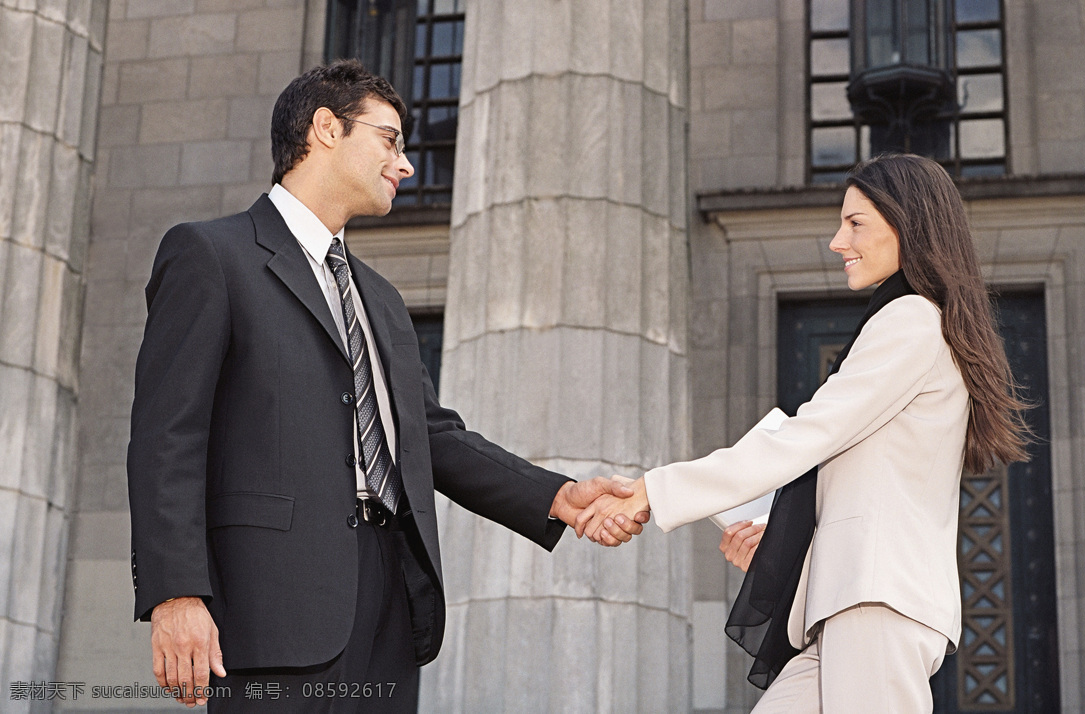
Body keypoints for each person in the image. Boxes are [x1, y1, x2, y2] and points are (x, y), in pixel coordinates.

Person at [126, 60, 644, 712]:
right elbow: (165, 437)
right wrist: (176, 593)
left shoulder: (381, 298)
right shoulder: (209, 255)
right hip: (270, 608)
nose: (405, 166)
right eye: (391, 140)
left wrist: (560, 496)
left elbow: (431, 437)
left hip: (388, 608)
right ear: (324, 129)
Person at [581, 153, 1030, 712]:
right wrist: (777, 543)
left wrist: (655, 490)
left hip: (874, 606)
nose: (838, 240)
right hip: (847, 609)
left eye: (855, 223)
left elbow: (805, 437)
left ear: (908, 224)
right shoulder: (914, 323)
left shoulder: (911, 320)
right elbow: (864, 485)